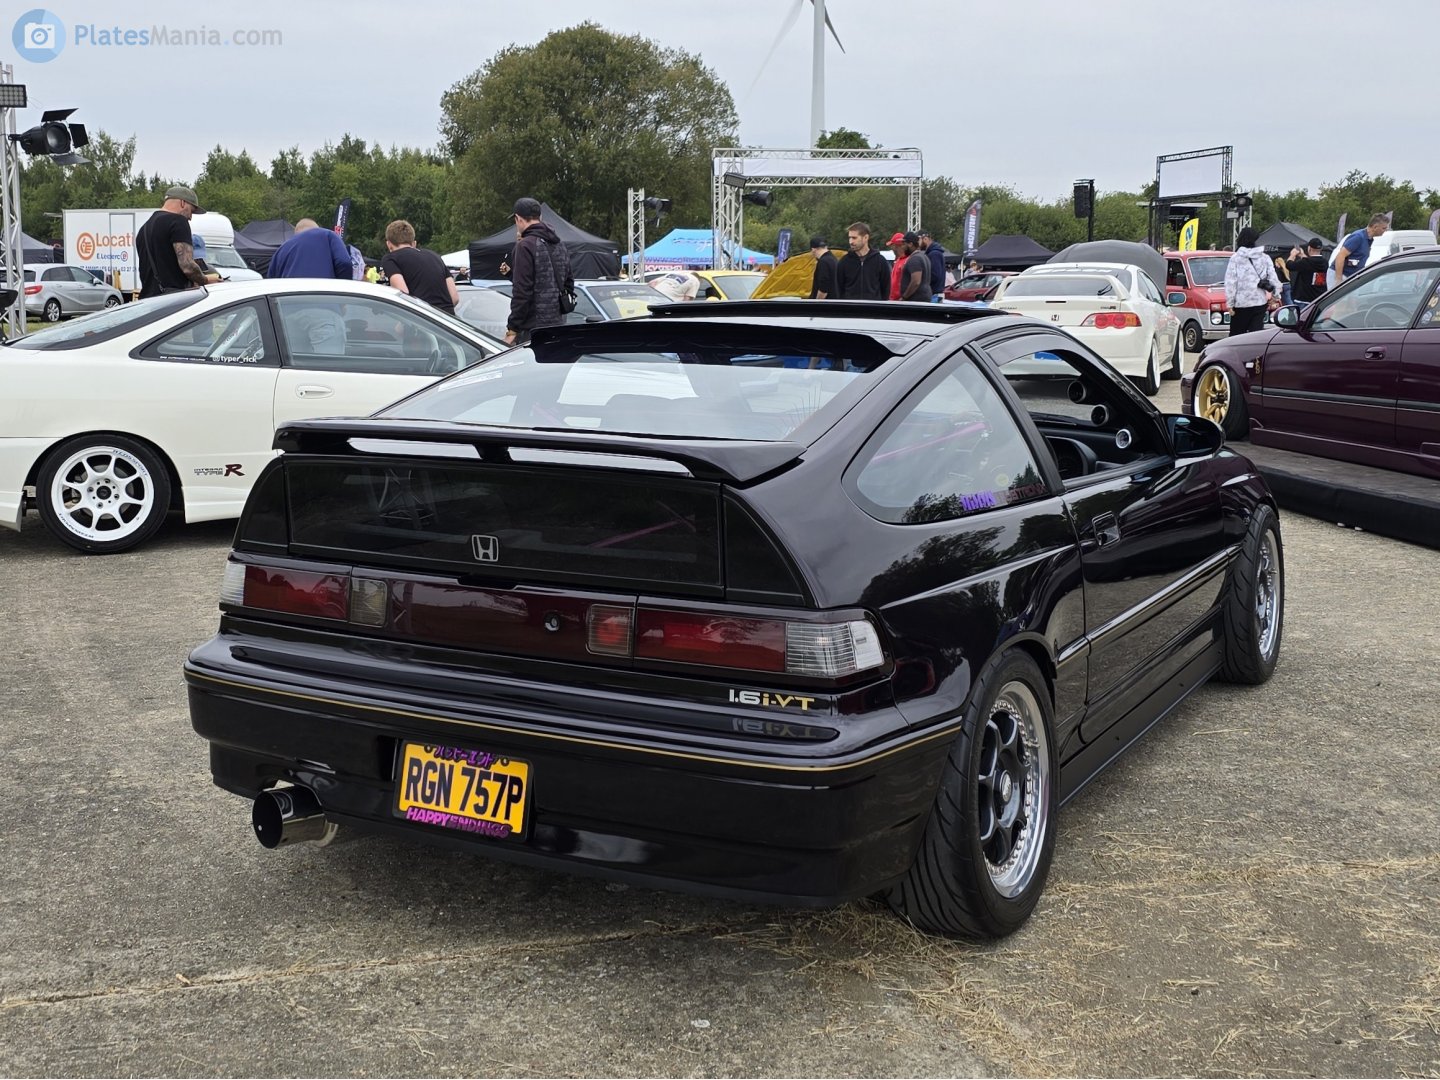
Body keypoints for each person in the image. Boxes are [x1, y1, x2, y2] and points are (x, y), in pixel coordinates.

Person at [504, 197, 574, 345]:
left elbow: (522, 292)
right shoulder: (559, 244)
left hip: (533, 329)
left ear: (518, 219)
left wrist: (512, 329)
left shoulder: (525, 246)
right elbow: (569, 283)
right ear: (539, 217)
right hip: (558, 325)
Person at [135, 185, 214, 298]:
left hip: (148, 299)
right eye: (191, 211)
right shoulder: (178, 221)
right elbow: (187, 266)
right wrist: (206, 279)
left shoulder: (144, 228)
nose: (190, 217)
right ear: (183, 203)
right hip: (172, 300)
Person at [381, 219, 459, 316]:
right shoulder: (435, 256)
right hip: (448, 320)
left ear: (388, 244)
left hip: (421, 320)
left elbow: (403, 294)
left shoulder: (391, 259)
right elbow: (454, 298)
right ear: (414, 243)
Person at [1223, 226, 1282, 336]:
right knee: (1256, 335)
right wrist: (1276, 296)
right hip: (1259, 302)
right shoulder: (1265, 257)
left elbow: (1231, 282)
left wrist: (1230, 303)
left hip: (1241, 304)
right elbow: (1274, 278)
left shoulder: (1235, 259)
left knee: (1237, 336)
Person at [267, 218, 354, 280]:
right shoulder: (328, 235)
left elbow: (271, 281)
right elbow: (344, 263)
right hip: (325, 298)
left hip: (290, 301)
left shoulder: (281, 249)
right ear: (317, 229)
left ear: (296, 233)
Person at [835, 221, 889, 300]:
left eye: (854, 238)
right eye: (849, 238)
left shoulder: (880, 261)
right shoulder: (844, 262)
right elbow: (839, 289)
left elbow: (886, 288)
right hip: (851, 309)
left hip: (873, 310)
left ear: (866, 238)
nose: (851, 242)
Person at [1333, 213, 1390, 282]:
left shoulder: (1369, 239)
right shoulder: (1358, 237)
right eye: (1384, 228)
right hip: (1340, 275)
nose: (1386, 230)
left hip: (1349, 277)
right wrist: (1338, 279)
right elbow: (1340, 256)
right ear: (1375, 227)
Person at [1287, 238, 1329, 305]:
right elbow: (1309, 262)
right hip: (1319, 299)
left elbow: (1289, 265)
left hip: (1304, 301)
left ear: (1309, 248)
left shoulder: (1306, 262)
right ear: (1321, 249)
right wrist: (1302, 254)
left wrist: (1292, 254)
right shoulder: (1325, 262)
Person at [898, 232, 931, 303]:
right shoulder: (924, 256)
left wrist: (904, 297)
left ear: (910, 244)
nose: (902, 247)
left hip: (915, 301)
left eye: (904, 244)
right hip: (923, 299)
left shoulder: (915, 259)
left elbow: (916, 281)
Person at [918, 229, 947, 300]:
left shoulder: (934, 254)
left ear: (925, 239)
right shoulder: (933, 253)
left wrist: (921, 281)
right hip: (934, 293)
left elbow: (935, 275)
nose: (918, 243)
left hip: (934, 294)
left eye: (919, 240)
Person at [809, 235, 837, 299]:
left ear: (813, 249)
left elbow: (823, 288)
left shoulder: (823, 262)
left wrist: (817, 304)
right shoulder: (833, 259)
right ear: (825, 247)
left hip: (825, 304)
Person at [886, 232, 908, 300]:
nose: (891, 248)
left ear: (897, 245)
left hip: (900, 301)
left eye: (892, 245)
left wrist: (903, 297)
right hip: (894, 300)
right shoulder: (898, 260)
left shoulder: (907, 261)